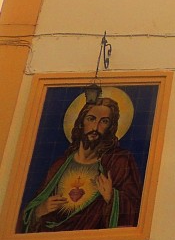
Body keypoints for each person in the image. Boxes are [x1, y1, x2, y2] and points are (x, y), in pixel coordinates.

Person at [21, 96, 142, 232]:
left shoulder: (118, 162)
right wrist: (39, 210)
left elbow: (135, 209)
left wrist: (112, 197)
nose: (95, 127)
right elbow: (31, 214)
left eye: (104, 121)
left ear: (111, 127)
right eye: (91, 119)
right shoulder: (60, 166)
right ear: (81, 122)